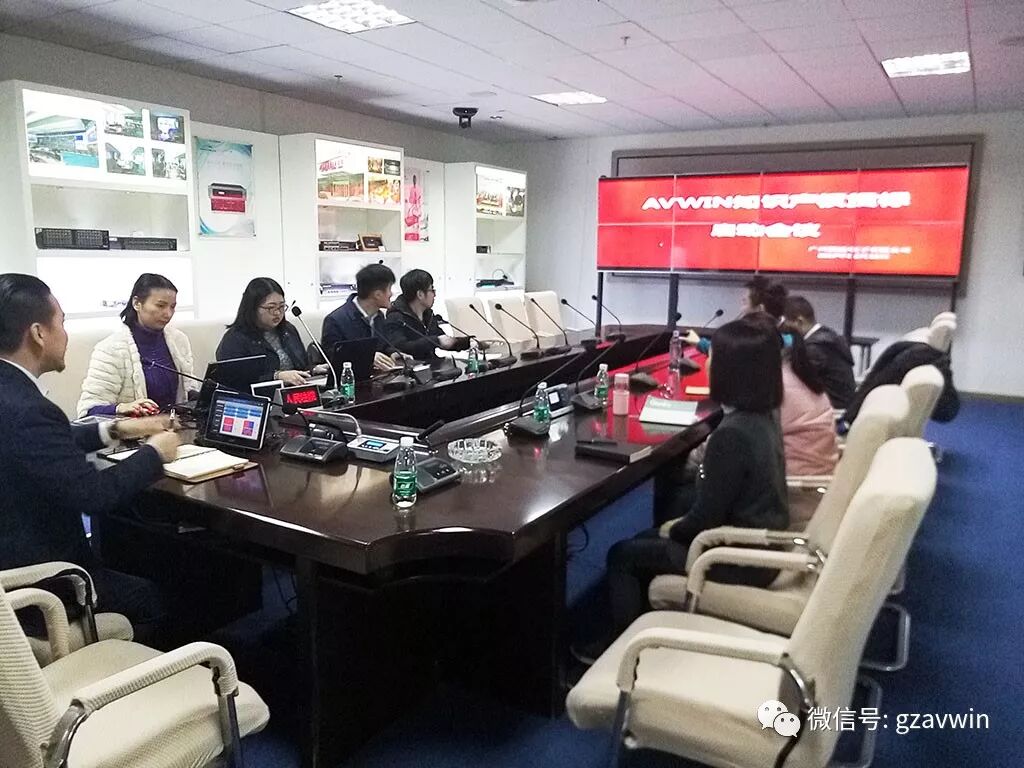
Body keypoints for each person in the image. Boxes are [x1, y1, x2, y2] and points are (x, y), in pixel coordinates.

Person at [0, 274, 180, 641]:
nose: (65, 335)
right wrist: (154, 453)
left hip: (13, 553)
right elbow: (94, 494)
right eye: (62, 323)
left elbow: (43, 442)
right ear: (38, 333)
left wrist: (116, 429)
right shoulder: (29, 409)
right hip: (46, 584)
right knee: (151, 598)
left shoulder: (12, 394)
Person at [596, 317, 789, 647]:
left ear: (732, 371)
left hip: (736, 558)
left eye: (713, 356)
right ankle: (651, 621)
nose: (707, 361)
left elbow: (704, 520)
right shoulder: (762, 415)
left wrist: (671, 529)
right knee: (649, 532)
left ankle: (623, 647)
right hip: (760, 542)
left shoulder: (732, 435)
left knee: (622, 554)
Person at [76, 273, 194, 418]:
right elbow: (88, 410)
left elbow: (188, 389)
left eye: (172, 307)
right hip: (135, 430)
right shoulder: (111, 349)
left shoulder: (179, 340)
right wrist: (122, 408)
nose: (168, 314)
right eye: (160, 306)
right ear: (137, 303)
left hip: (177, 426)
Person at [216, 277, 310, 387]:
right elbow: (235, 380)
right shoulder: (235, 339)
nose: (277, 313)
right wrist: (276, 377)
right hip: (261, 396)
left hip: (297, 392)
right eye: (271, 307)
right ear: (253, 308)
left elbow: (302, 365)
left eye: (281, 306)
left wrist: (313, 369)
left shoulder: (288, 330)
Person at [321, 263, 399, 371]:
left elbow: (384, 346)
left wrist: (393, 353)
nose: (392, 294)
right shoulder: (335, 320)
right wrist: (367, 356)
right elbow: (334, 357)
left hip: (379, 376)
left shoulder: (379, 316)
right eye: (389, 289)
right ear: (377, 294)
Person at [784, 295, 856, 410]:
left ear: (799, 321)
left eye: (786, 323)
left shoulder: (815, 349)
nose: (785, 330)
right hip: (841, 405)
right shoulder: (828, 336)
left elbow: (795, 383)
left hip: (834, 409)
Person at [684, 276, 788, 352]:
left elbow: (728, 352)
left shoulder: (758, 342)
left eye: (745, 302)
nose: (741, 309)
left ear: (760, 309)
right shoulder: (788, 340)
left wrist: (700, 343)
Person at [383, 269, 470, 359]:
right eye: (432, 290)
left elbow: (444, 341)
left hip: (432, 363)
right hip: (412, 365)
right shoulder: (396, 317)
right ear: (420, 294)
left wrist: (468, 342)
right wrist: (435, 341)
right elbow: (400, 347)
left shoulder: (428, 315)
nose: (434, 295)